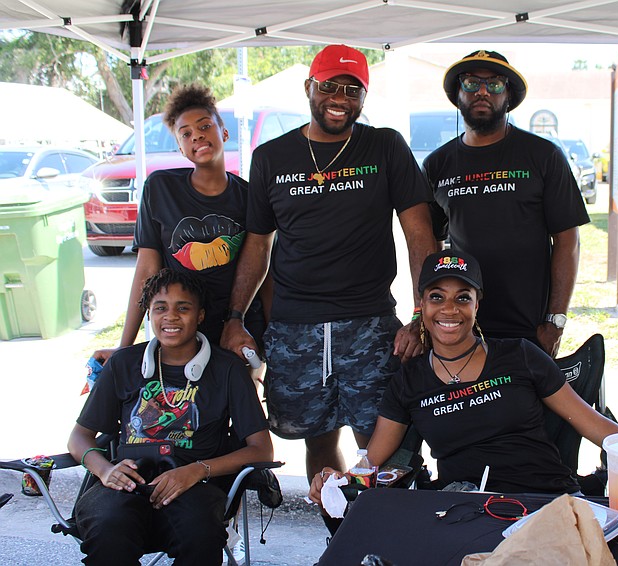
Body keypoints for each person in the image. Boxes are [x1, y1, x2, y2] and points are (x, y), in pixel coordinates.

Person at [221, 44, 437, 485]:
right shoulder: (271, 157)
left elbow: (420, 236)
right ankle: (338, 533)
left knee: (382, 442)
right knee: (317, 439)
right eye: (328, 86)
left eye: (352, 89)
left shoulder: (384, 146)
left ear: (363, 98)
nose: (339, 98)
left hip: (370, 323)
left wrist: (422, 315)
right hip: (294, 326)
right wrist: (234, 317)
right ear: (309, 88)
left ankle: (384, 540)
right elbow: (258, 246)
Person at [309, 249, 618, 502]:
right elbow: (372, 461)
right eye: (437, 297)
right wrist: (340, 478)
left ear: (477, 305)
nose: (449, 309)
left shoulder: (520, 355)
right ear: (422, 305)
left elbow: (593, 424)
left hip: (546, 500)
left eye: (462, 297)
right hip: (464, 506)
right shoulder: (409, 380)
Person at [68, 268, 272, 565]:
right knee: (108, 528)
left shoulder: (228, 370)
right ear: (149, 314)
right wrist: (104, 470)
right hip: (126, 483)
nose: (171, 317)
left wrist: (197, 470)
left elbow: (262, 448)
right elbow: (79, 437)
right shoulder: (123, 364)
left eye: (183, 308)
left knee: (200, 533)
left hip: (193, 486)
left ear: (200, 315)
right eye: (160, 308)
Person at [424, 50, 590, 357]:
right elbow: (432, 245)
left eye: (496, 84)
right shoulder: (438, 164)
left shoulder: (543, 156)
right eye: (472, 83)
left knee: (524, 405)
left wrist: (555, 321)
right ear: (457, 94)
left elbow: (568, 240)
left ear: (509, 96)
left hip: (528, 327)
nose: (483, 92)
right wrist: (431, 314)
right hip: (461, 325)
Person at [93, 83, 267, 364]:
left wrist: (266, 340)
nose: (197, 135)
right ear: (180, 147)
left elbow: (263, 268)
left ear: (223, 132)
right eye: (186, 133)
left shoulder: (249, 197)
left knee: (239, 400)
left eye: (204, 126)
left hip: (235, 329)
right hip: (181, 329)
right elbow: (147, 269)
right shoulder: (160, 188)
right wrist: (124, 347)